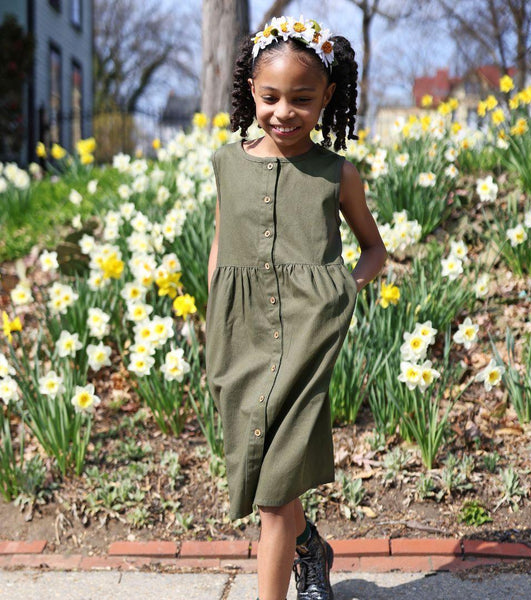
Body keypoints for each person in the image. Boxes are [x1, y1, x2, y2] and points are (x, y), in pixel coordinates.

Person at [205, 15, 387, 600]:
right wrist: (213, 323)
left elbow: (374, 249)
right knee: (265, 475)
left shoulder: (337, 174)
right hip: (240, 339)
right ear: (250, 92)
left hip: (308, 341)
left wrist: (345, 289)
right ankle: (310, 549)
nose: (284, 112)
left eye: (302, 99)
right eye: (271, 97)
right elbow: (220, 247)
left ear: (327, 97)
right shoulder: (227, 163)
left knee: (274, 496)